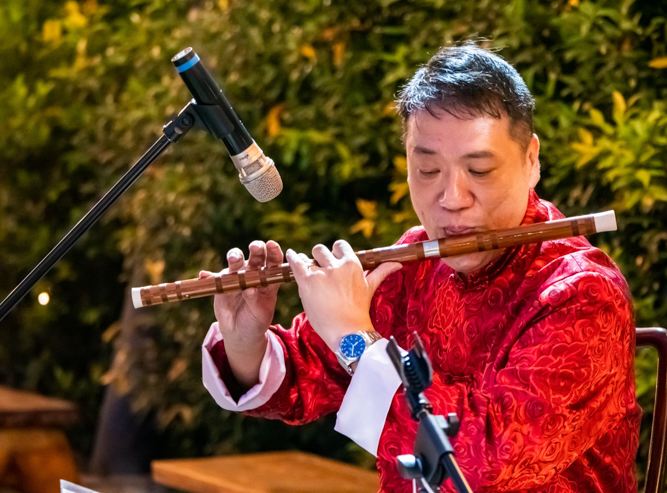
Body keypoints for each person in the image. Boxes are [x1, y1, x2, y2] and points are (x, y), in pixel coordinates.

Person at [199, 43, 641, 492]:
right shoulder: (411, 263)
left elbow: (476, 464)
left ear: (531, 160)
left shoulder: (583, 293)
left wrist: (353, 336)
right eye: (427, 170)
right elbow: (307, 374)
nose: (452, 198)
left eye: (481, 170)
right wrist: (246, 342)